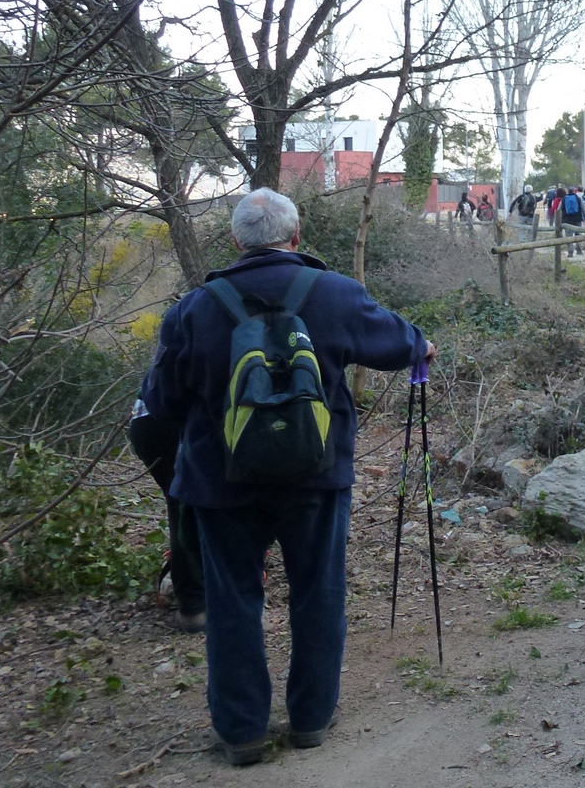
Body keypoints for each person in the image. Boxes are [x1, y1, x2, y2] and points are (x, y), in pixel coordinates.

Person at [139, 189, 432, 764]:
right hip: (315, 477)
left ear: (236, 241)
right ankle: (311, 719)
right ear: (296, 237)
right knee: (319, 593)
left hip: (220, 482)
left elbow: (162, 401)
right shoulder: (336, 294)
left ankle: (242, 731)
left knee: (232, 601)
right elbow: (403, 344)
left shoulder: (193, 309)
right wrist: (423, 346)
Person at [128, 397, 204, 632]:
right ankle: (195, 606)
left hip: (144, 420)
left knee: (182, 503)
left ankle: (194, 600)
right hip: (174, 418)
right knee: (189, 507)